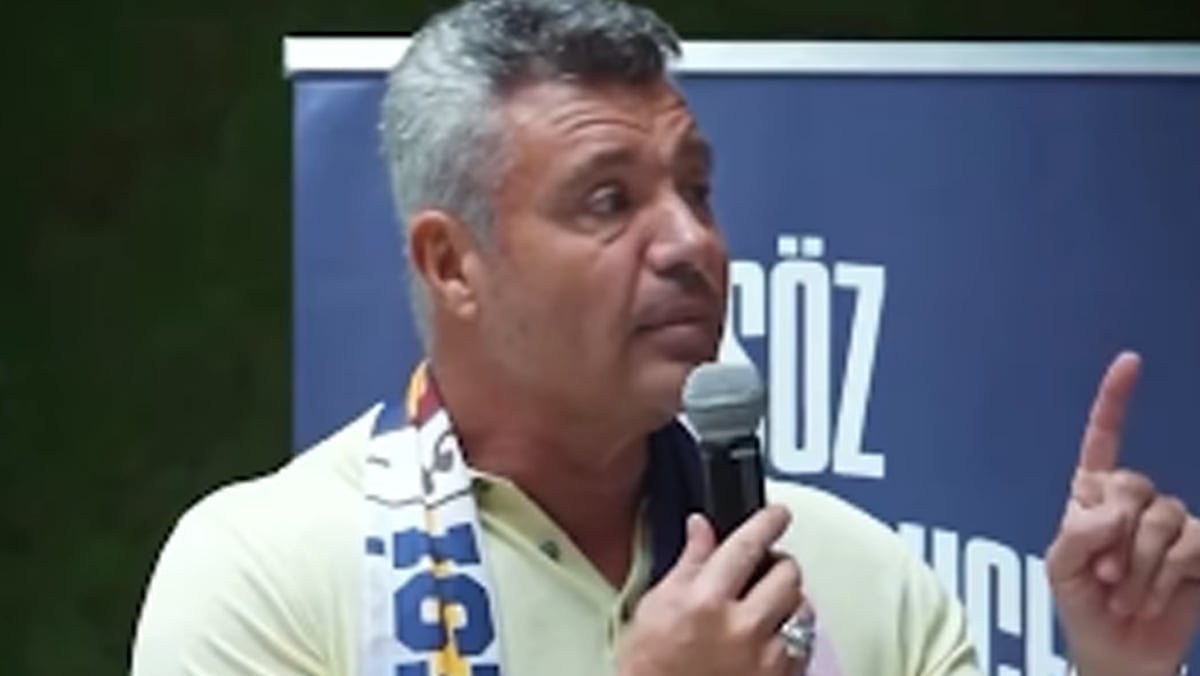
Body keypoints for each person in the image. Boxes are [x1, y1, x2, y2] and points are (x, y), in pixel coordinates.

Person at [129, 0, 1200, 674]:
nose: (692, 241)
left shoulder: (861, 576)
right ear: (451, 263)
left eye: (697, 189)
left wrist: (1120, 669)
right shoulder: (261, 576)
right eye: (608, 200)